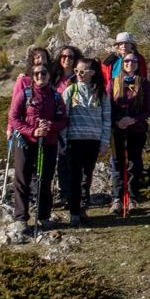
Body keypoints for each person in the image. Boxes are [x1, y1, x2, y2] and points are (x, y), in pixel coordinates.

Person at [8, 62, 68, 227]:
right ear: (32, 77)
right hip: (25, 143)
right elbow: (13, 118)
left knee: (45, 179)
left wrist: (50, 126)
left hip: (48, 143)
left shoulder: (56, 96)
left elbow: (63, 120)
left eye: (44, 73)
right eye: (36, 74)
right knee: (22, 179)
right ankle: (21, 217)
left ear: (49, 76)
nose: (40, 76)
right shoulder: (24, 94)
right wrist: (32, 131)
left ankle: (44, 216)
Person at [58, 57, 110, 226]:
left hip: (93, 141)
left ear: (92, 73)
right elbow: (63, 118)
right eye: (76, 71)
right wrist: (63, 140)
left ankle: (83, 209)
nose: (79, 74)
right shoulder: (70, 91)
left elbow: (106, 119)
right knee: (74, 176)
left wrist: (104, 142)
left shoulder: (101, 93)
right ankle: (73, 212)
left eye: (82, 71)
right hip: (74, 140)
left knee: (87, 177)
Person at [108, 50, 150, 214]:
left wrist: (133, 120)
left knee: (135, 163)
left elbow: (148, 110)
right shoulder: (113, 83)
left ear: (138, 64)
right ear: (122, 64)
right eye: (126, 61)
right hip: (117, 129)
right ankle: (117, 198)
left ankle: (133, 197)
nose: (130, 64)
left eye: (133, 61)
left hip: (136, 129)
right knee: (117, 163)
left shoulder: (144, 84)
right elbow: (108, 107)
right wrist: (117, 121)